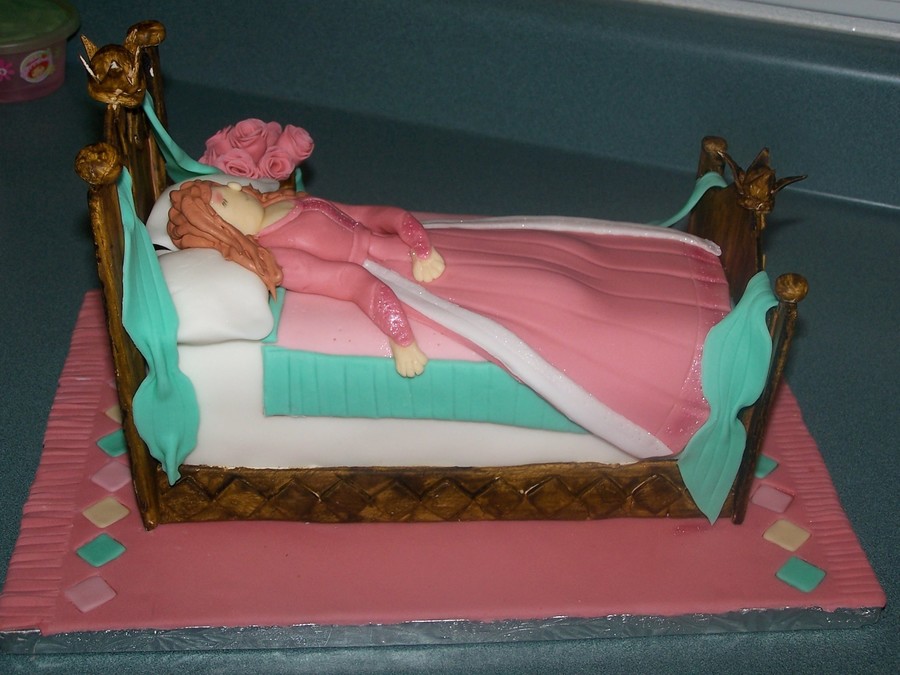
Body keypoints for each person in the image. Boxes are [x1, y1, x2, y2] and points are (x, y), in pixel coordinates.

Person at [168, 180, 445, 377]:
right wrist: (400, 334)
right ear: (225, 231)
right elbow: (351, 280)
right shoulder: (280, 256)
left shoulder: (287, 201)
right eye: (225, 201)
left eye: (225, 186)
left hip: (416, 249)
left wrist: (418, 243)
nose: (235, 186)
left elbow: (366, 214)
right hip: (394, 279)